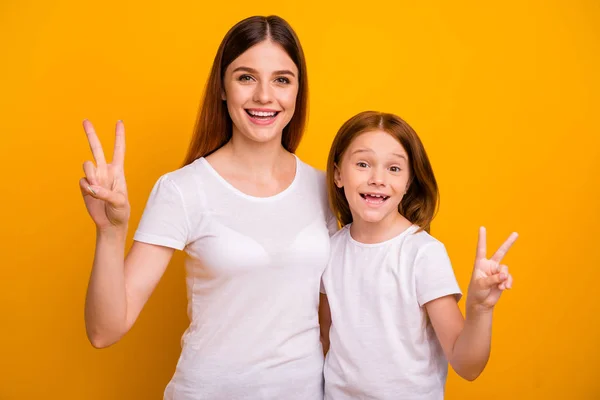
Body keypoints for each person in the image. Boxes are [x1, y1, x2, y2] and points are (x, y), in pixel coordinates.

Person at [80, 15, 337, 400]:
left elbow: (332, 323)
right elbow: (104, 330)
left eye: (282, 79)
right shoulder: (182, 190)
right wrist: (110, 232)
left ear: (298, 91)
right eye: (246, 77)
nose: (265, 96)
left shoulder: (326, 189)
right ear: (222, 87)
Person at [319, 111, 519, 400]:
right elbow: (324, 341)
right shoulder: (330, 250)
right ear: (338, 174)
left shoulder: (423, 254)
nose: (378, 179)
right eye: (363, 164)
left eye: (394, 169)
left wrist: (480, 310)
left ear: (409, 181)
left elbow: (468, 366)